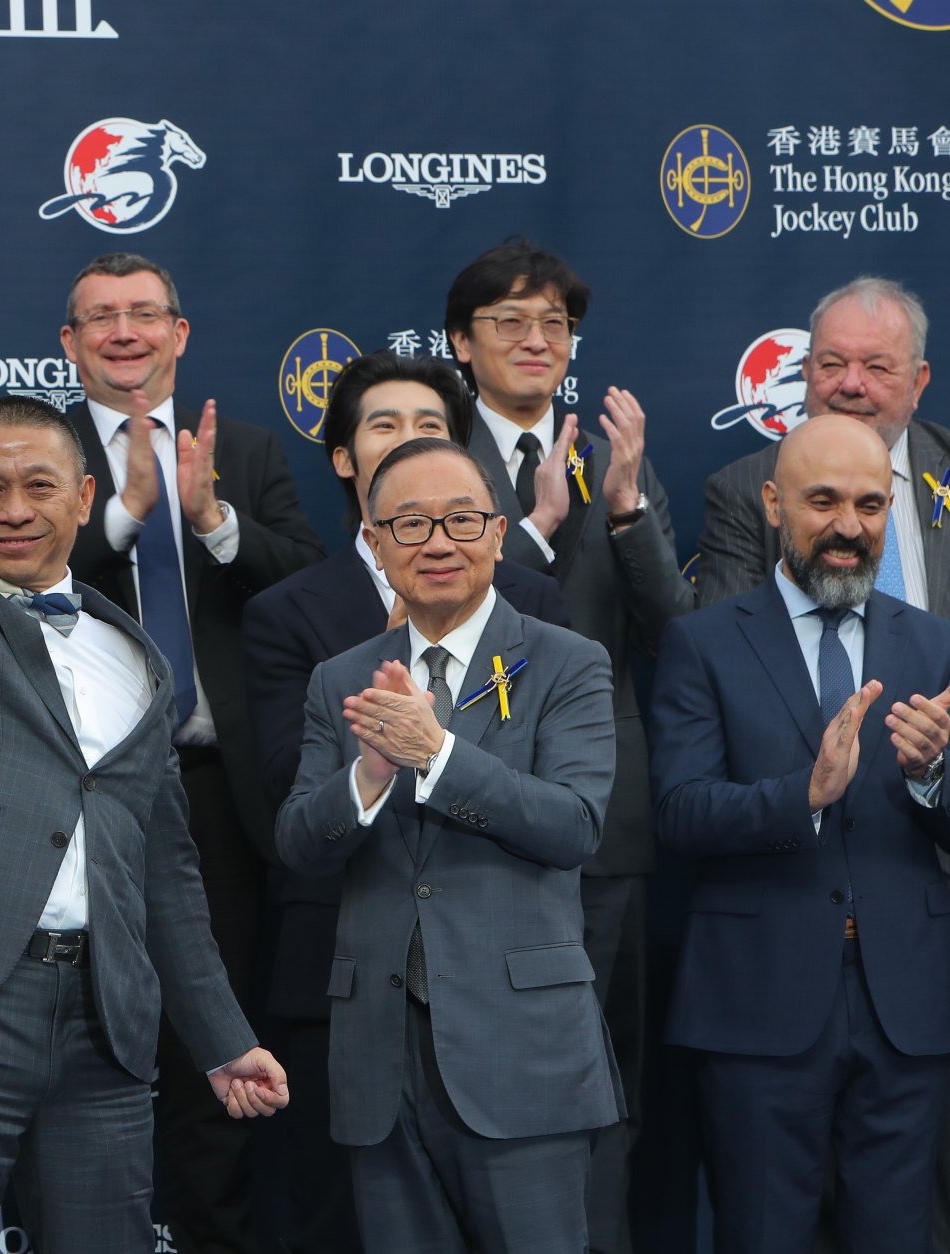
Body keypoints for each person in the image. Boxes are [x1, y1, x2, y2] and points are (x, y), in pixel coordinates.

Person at [0, 246, 286, 1253]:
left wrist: (221, 1034)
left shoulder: (138, 658)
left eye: (38, 486)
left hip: (105, 1021)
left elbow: (164, 869)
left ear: (85, 497)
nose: (15, 509)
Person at [241, 350, 570, 1253]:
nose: (437, 540)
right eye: (411, 523)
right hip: (369, 1026)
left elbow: (573, 822)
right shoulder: (323, 664)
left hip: (519, 1037)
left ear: (497, 531)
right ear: (375, 538)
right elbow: (295, 829)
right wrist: (371, 772)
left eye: (461, 519)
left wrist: (438, 754)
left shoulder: (556, 643)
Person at [53, 251, 320, 1254]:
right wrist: (118, 513)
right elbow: (4, 580)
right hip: (80, 804)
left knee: (221, 1051)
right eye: (100, 318)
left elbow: (307, 584)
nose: (124, 331)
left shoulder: (242, 453)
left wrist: (208, 519)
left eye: (143, 314)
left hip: (219, 799)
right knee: (86, 1053)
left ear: (180, 334)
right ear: (68, 345)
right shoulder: (41, 452)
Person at [444, 238, 692, 1250]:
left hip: (600, 828)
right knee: (470, 1081)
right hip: (456, 812)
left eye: (554, 324)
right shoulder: (427, 454)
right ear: (460, 344)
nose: (535, 340)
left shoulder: (613, 462)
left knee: (599, 1083)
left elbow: (677, 633)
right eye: (509, 322)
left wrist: (625, 508)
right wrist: (535, 529)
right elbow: (433, 615)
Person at [652, 415, 950, 1254]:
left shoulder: (935, 645)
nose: (847, 527)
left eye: (866, 504)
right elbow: (677, 812)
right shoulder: (701, 642)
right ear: (774, 503)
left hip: (910, 1005)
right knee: (761, 1235)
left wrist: (933, 777)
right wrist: (801, 796)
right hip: (756, 1002)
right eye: (822, 502)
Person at [696, 277, 943, 610]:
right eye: (832, 364)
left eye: (877, 367)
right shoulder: (743, 488)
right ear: (807, 372)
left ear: (918, 382)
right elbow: (729, 647)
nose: (852, 384)